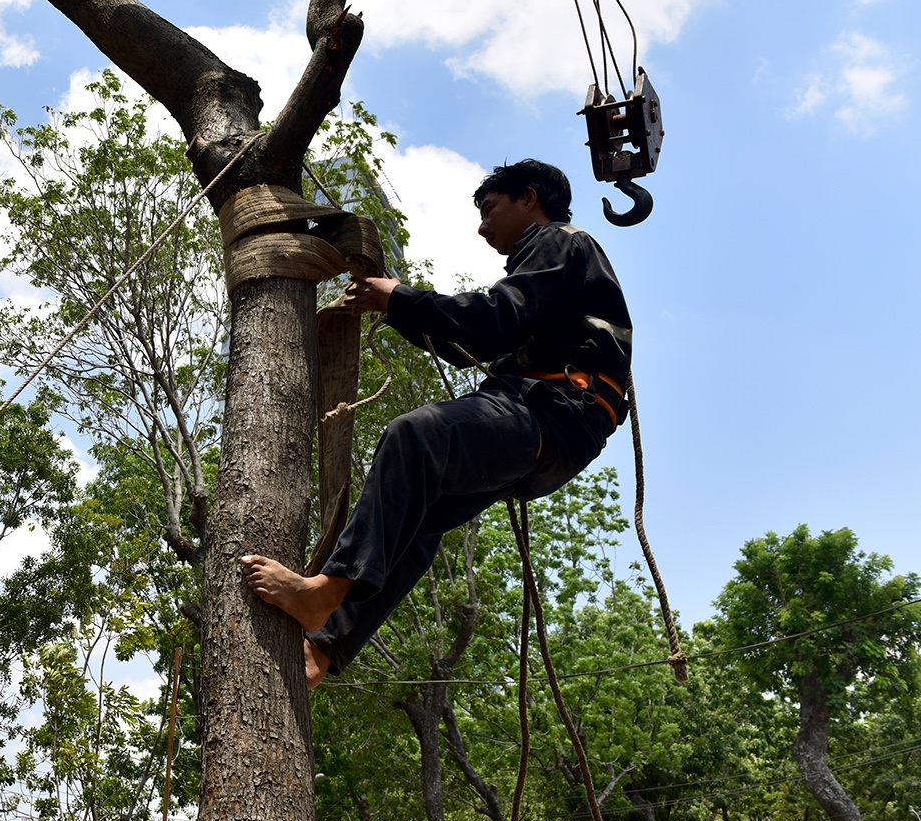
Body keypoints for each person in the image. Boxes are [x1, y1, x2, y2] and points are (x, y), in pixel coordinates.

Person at [244, 158, 631, 689]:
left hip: (554, 406)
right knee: (418, 518)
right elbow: (463, 345)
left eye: (490, 209)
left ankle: (324, 593)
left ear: (530, 198)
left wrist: (400, 296)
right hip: (559, 426)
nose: (481, 225)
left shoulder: (559, 242)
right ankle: (324, 652)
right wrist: (393, 306)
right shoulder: (554, 266)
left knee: (415, 434)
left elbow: (494, 322)